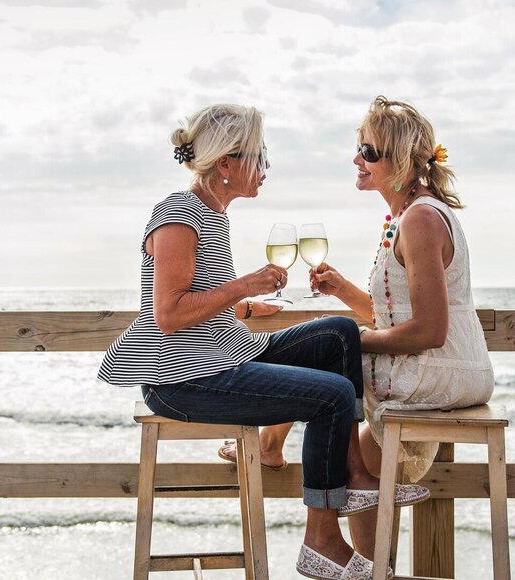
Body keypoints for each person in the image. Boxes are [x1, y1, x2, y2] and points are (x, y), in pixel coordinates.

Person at [97, 103, 425, 579]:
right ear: (226, 163)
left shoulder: (212, 213)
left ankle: (353, 474)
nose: (265, 167)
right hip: (183, 379)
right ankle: (321, 541)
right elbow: (168, 314)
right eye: (259, 156)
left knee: (339, 334)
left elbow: (199, 301)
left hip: (224, 353)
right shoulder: (178, 214)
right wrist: (245, 286)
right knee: (332, 396)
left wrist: (246, 308)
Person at [218, 96, 494, 557]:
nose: (356, 159)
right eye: (359, 148)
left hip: (437, 368)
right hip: (441, 365)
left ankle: (269, 444)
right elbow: (400, 318)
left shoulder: (421, 219)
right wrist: (343, 291)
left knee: (320, 352)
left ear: (400, 160)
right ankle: (371, 568)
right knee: (359, 457)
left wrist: (355, 340)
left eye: (369, 151)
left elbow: (430, 331)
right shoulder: (410, 214)